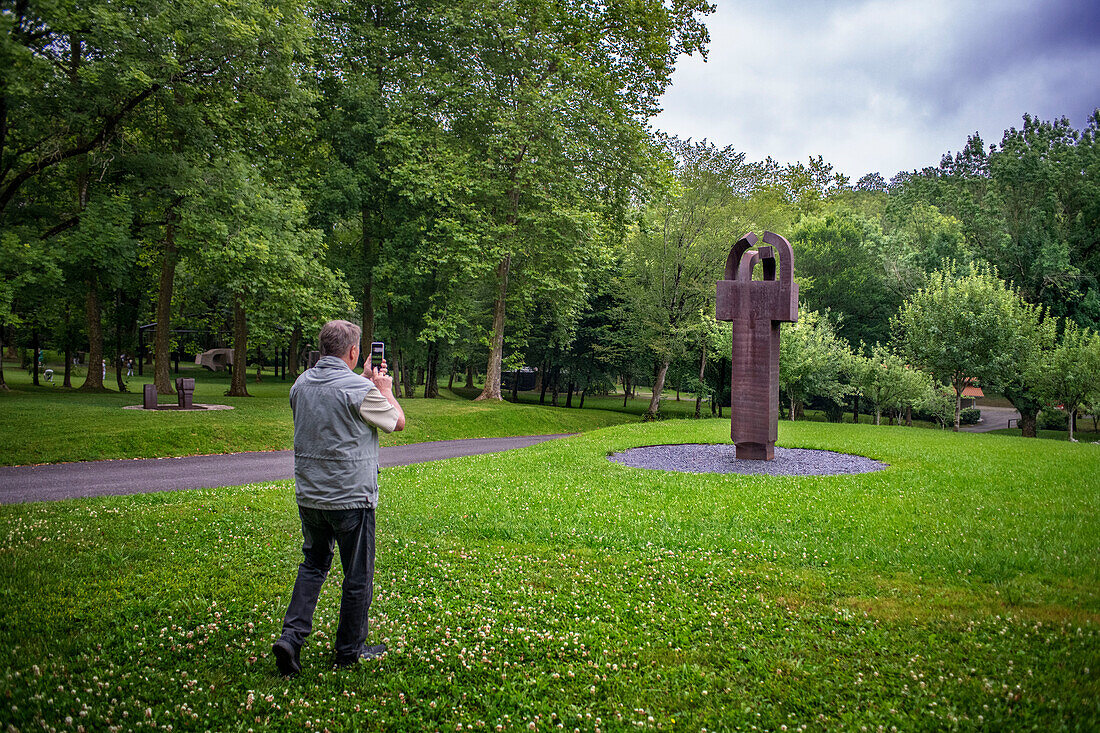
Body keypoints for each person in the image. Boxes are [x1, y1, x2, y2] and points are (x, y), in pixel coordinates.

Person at [272, 320, 405, 677]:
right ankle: (349, 651)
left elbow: (335, 400)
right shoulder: (360, 391)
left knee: (313, 565)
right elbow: (396, 421)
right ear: (353, 351)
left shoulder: (301, 384)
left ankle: (291, 638)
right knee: (357, 576)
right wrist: (383, 387)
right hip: (351, 499)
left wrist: (363, 381)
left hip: (310, 497)